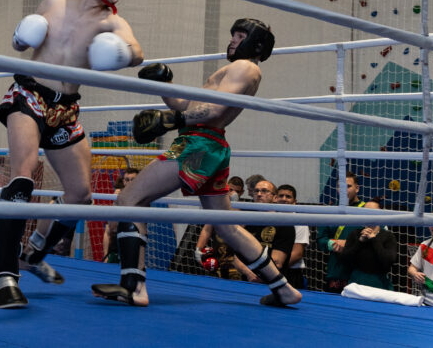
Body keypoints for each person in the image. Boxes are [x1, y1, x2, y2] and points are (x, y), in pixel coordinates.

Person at [92, 18, 301, 307]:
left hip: (197, 145)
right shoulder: (237, 71)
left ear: (255, 43)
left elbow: (213, 110)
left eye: (240, 36)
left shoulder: (244, 67)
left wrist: (170, 120)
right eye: (233, 34)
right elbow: (192, 108)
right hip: (210, 144)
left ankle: (134, 287)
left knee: (130, 199)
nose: (233, 40)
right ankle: (283, 289)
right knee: (227, 227)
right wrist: (165, 87)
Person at [0, 0, 144, 309]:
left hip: (65, 109)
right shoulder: (53, 4)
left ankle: (34, 253)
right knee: (22, 178)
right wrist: (19, 36)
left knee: (80, 194)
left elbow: (137, 52)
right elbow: (19, 47)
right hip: (29, 95)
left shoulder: (112, 22)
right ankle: (5, 276)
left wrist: (122, 52)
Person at [316, 171, 365, 293]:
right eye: (340, 187)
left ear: (357, 188)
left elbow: (379, 239)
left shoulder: (368, 210)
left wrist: (349, 245)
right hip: (336, 273)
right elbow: (320, 240)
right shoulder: (330, 212)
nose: (344, 190)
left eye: (348, 186)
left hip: (361, 273)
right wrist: (334, 244)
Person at [339, 199, 397, 290]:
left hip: (380, 284)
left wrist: (374, 240)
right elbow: (344, 259)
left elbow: (389, 260)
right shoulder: (355, 234)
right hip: (357, 282)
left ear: (380, 214)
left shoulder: (388, 236)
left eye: (372, 212)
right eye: (366, 212)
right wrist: (360, 242)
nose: (369, 215)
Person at [102, 168, 140, 263]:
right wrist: (106, 255)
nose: (130, 183)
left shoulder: (142, 198)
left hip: (133, 246)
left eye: (133, 180)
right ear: (123, 181)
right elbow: (108, 232)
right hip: (116, 248)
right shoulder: (118, 198)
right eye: (127, 180)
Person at [275, 184, 309, 289]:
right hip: (269, 269)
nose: (284, 199)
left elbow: (297, 254)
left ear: (295, 201)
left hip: (290, 273)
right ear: (275, 198)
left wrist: (271, 270)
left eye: (288, 196)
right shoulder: (269, 218)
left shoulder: (299, 221)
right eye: (281, 196)